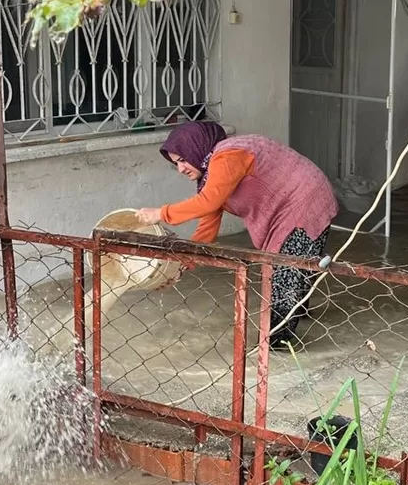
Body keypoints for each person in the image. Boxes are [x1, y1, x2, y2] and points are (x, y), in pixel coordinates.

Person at [137, 122, 339, 348]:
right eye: (176, 164)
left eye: (183, 159)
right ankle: (295, 314)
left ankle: (278, 345)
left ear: (196, 147)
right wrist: (179, 267)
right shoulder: (211, 176)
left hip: (304, 199)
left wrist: (161, 214)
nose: (181, 169)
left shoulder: (228, 155)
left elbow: (208, 203)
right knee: (293, 265)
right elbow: (206, 230)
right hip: (292, 202)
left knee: (283, 271)